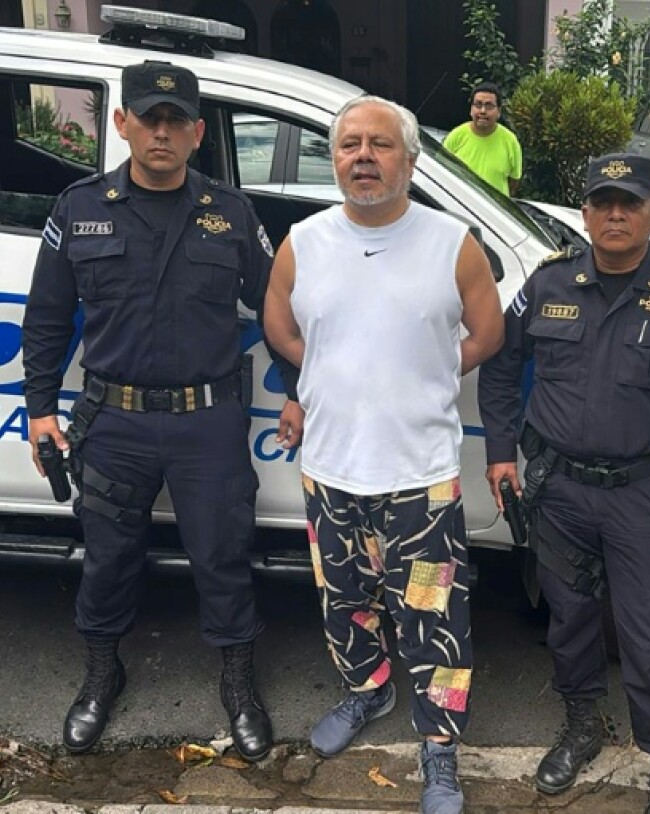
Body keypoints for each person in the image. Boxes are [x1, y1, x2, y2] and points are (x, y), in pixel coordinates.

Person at [22, 60, 298, 760]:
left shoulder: (231, 213)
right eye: (149, 118)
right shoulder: (79, 209)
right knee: (108, 558)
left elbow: (276, 310)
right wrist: (39, 409)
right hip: (112, 421)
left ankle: (238, 683)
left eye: (177, 121)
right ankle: (99, 676)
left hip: (208, 420)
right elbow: (47, 317)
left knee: (223, 556)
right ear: (122, 124)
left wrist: (299, 383)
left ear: (199, 132)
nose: (163, 132)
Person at [478, 154, 650, 813]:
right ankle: (581, 729)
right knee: (568, 620)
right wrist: (501, 451)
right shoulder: (547, 284)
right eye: (602, 202)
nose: (615, 214)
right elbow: (501, 365)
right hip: (559, 490)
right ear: (586, 213)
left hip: (645, 493)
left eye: (630, 203)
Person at [263, 95, 504, 814]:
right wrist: (328, 370)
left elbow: (486, 334)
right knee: (345, 602)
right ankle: (367, 690)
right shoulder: (303, 241)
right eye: (349, 145)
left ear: (410, 159)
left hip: (420, 480)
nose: (363, 157)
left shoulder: (451, 241)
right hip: (331, 472)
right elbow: (278, 321)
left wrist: (425, 372)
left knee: (434, 616)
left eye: (380, 145)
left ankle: (439, 745)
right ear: (333, 158)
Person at [441, 82, 523, 197]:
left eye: (489, 106)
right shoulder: (455, 137)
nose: (483, 111)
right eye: (478, 105)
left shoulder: (510, 141)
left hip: (494, 210)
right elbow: (441, 174)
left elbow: (514, 181)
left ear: (499, 111)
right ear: (471, 109)